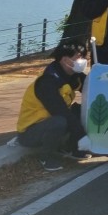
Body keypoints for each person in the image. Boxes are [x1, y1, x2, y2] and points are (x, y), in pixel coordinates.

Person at [16, 42, 90, 171]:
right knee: (59, 121)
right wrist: (82, 134)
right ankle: (46, 157)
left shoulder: (73, 75)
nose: (83, 61)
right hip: (30, 132)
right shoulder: (47, 82)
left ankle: (72, 148)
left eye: (84, 57)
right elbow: (60, 111)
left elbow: (92, 88)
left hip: (50, 122)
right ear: (65, 60)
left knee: (80, 110)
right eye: (79, 57)